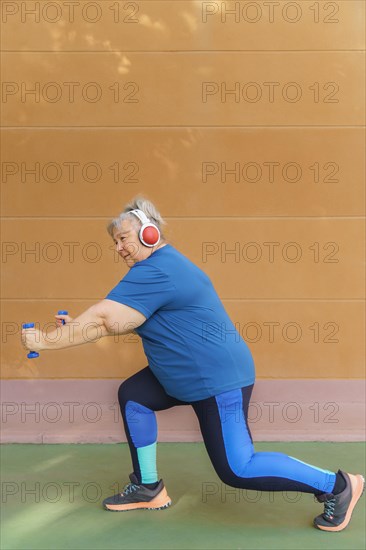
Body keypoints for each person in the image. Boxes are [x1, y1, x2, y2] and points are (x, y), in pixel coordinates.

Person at [22, 196, 364, 532]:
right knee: (134, 396)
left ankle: (337, 486)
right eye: (115, 242)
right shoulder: (156, 269)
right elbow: (114, 320)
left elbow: (106, 319)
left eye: (123, 238)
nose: (118, 248)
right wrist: (73, 330)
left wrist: (47, 341)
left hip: (217, 380)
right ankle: (148, 486)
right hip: (183, 375)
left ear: (149, 233)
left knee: (238, 468)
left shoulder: (159, 269)